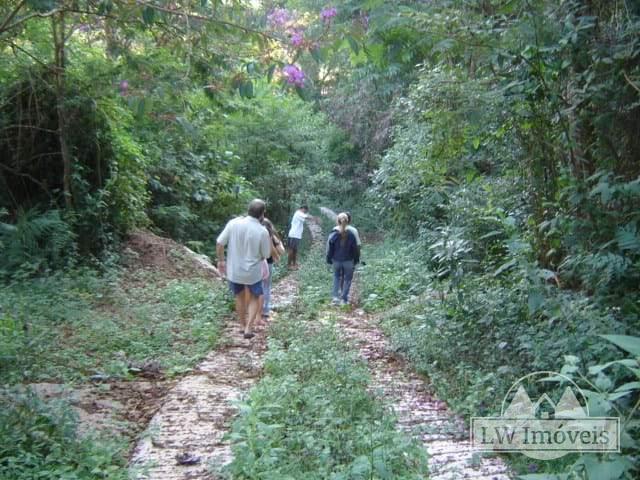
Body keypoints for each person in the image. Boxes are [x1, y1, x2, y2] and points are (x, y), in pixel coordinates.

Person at [216, 199, 271, 339]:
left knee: (239, 296)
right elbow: (266, 254)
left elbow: (219, 242)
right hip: (253, 272)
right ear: (262, 214)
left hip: (235, 270)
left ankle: (241, 325)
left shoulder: (233, 224)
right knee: (254, 297)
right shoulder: (262, 231)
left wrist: (221, 260)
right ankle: (248, 328)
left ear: (248, 210)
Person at [326, 212, 359, 305]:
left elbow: (330, 248)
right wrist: (356, 260)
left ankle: (335, 298)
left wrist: (328, 258)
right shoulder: (351, 235)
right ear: (348, 221)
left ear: (338, 221)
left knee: (336, 277)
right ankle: (344, 299)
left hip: (336, 260)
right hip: (348, 261)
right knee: (347, 279)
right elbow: (355, 249)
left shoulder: (334, 234)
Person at [259, 218, 285, 323]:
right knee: (266, 286)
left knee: (255, 286)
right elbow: (282, 251)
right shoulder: (271, 236)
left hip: (253, 262)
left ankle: (253, 309)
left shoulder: (254, 233)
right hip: (268, 263)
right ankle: (265, 309)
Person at [287, 205, 314, 269]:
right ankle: (288, 265)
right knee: (291, 250)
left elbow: (305, 218)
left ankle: (294, 264)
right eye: (305, 211)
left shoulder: (299, 214)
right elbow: (307, 217)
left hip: (296, 235)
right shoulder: (298, 213)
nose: (305, 212)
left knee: (295, 250)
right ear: (303, 209)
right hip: (294, 235)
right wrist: (315, 218)